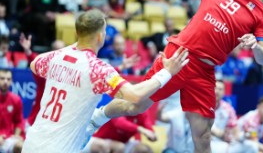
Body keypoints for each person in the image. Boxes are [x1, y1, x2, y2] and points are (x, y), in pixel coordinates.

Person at [88, 0, 263, 153]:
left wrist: (256, 46)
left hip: (204, 71)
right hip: (178, 57)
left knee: (203, 136)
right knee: (136, 105)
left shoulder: (262, 13)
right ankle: (96, 118)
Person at [22, 9, 189, 153]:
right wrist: (168, 72)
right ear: (101, 36)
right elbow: (136, 95)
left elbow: (34, 63)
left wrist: (73, 47)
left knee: (106, 111)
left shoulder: (56, 57)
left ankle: (101, 115)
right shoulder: (97, 69)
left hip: (32, 143)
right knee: (126, 104)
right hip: (60, 148)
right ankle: (101, 116)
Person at [82, 111, 156, 153]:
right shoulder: (120, 106)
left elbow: (148, 126)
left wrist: (152, 135)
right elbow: (119, 122)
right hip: (101, 139)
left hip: (124, 142)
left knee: (146, 150)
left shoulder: (143, 112)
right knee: (119, 147)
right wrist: (140, 129)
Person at [0, 69, 24, 153]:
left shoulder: (16, 99)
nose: (5, 81)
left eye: (8, 79)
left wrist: (16, 135)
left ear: (11, 81)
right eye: (2, 78)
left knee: (20, 146)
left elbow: (19, 121)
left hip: (8, 138)